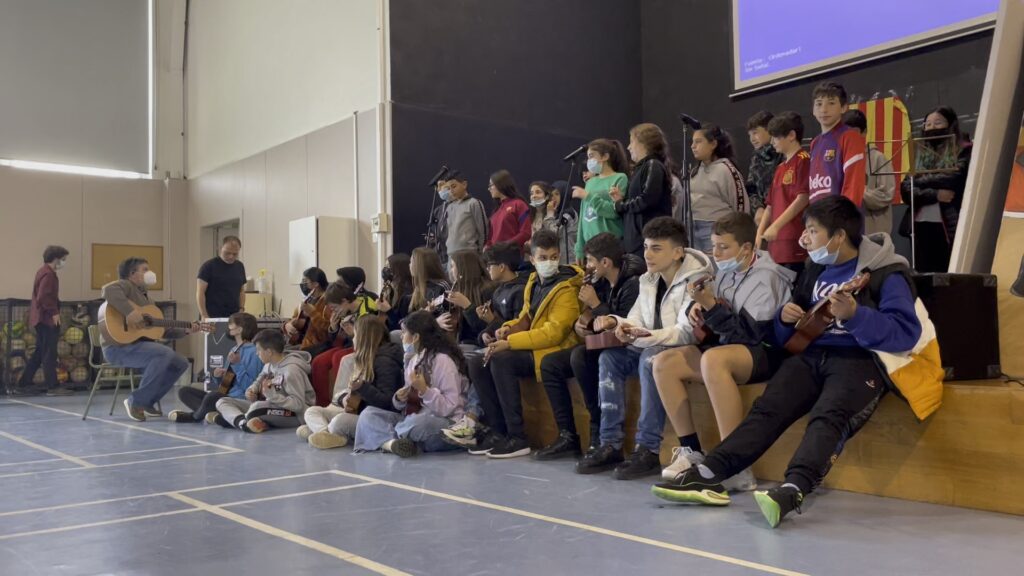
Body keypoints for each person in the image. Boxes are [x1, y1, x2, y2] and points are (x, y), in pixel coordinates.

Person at [652, 196, 943, 528]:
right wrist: (784, 318)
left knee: (829, 416)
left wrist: (856, 315)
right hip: (811, 355)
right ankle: (709, 472)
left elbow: (905, 332)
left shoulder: (887, 273)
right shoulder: (815, 269)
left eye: (813, 231)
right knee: (768, 409)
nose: (804, 238)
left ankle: (793, 489)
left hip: (861, 360)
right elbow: (788, 333)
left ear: (839, 236)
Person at [653, 212, 795, 491]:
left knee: (713, 359)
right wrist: (695, 308)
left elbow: (752, 336)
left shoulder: (768, 277)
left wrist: (711, 306)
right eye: (714, 245)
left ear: (746, 247)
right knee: (664, 362)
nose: (716, 253)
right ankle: (691, 451)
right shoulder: (725, 272)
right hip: (728, 350)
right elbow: (716, 313)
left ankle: (735, 464)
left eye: (723, 247)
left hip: (765, 353)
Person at [577, 217, 714, 479]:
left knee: (650, 358)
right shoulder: (648, 279)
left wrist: (644, 336)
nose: (648, 255)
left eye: (656, 248)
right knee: (609, 358)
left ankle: (648, 449)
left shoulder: (697, 280)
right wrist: (617, 323)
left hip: (688, 353)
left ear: (677, 252)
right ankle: (610, 443)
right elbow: (636, 318)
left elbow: (685, 332)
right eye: (646, 247)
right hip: (652, 346)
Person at [468, 229, 583, 458]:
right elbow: (526, 317)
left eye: (553, 257)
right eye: (543, 257)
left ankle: (517, 437)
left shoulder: (567, 287)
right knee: (477, 362)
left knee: (501, 360)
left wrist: (510, 342)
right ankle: (498, 432)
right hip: (534, 344)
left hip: (554, 349)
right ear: (532, 259)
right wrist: (507, 328)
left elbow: (554, 334)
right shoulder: (533, 280)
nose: (549, 262)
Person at [534, 232, 643, 460]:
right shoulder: (599, 281)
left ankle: (597, 429)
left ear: (605, 262)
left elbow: (626, 324)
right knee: (550, 364)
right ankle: (567, 435)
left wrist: (595, 303)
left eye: (591, 261)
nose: (587, 266)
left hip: (625, 346)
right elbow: (591, 319)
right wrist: (581, 325)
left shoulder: (633, 283)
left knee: (580, 357)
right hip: (601, 342)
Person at [440, 241, 528, 446]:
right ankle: (491, 429)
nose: (487, 269)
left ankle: (471, 419)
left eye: (490, 265)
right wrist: (487, 334)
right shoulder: (498, 292)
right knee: (467, 358)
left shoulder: (508, 290)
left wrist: (469, 307)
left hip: (514, 345)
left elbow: (517, 324)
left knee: (476, 357)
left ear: (502, 267)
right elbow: (489, 328)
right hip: (490, 343)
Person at [353, 311, 469, 457]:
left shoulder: (443, 361)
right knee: (368, 414)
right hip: (411, 420)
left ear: (415, 337)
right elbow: (408, 406)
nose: (401, 337)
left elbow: (450, 407)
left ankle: (385, 439)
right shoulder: (414, 360)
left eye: (404, 332)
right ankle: (394, 444)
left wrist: (425, 391)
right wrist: (399, 399)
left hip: (445, 423)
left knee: (418, 423)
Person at [100, 257, 200, 421]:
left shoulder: (149, 301)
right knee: (164, 353)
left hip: (139, 348)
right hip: (118, 348)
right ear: (132, 274)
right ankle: (136, 401)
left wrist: (186, 330)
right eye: (145, 269)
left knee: (180, 362)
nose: (150, 273)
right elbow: (108, 290)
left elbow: (161, 331)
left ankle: (147, 402)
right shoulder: (126, 285)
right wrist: (130, 312)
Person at [300, 315, 404, 449]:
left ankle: (325, 432)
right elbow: (348, 395)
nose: (353, 340)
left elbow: (388, 403)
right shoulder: (365, 359)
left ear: (364, 337)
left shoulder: (385, 362)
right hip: (357, 411)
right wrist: (345, 399)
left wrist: (362, 387)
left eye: (355, 335)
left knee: (339, 422)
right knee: (312, 411)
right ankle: (326, 433)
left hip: (374, 418)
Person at [899, 105, 972, 273]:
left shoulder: (964, 149)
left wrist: (919, 180)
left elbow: (953, 178)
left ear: (951, 125)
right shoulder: (920, 152)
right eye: (928, 124)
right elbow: (906, 189)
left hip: (948, 224)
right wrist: (935, 194)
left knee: (949, 274)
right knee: (924, 274)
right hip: (919, 225)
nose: (932, 127)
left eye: (938, 123)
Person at [211, 329, 316, 433]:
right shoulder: (268, 365)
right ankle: (242, 422)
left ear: (269, 352)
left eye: (258, 350)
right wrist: (251, 390)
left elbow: (298, 405)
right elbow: (257, 381)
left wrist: (272, 396)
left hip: (295, 415)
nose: (257, 354)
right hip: (271, 406)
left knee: (257, 407)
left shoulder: (292, 371)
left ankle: (235, 419)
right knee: (222, 401)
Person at [169, 312, 263, 423]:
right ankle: (213, 414)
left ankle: (195, 417)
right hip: (226, 395)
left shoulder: (254, 352)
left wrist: (237, 364)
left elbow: (250, 386)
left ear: (240, 329)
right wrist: (217, 376)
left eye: (231, 324)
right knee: (184, 392)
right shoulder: (234, 349)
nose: (228, 326)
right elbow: (224, 386)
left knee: (213, 396)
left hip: (239, 399)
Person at [309, 280, 378, 408]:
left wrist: (353, 333)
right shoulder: (344, 311)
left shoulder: (368, 307)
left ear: (345, 301)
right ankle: (323, 404)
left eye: (335, 308)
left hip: (364, 346)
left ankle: (340, 401)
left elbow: (371, 337)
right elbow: (334, 340)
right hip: (347, 345)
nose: (335, 312)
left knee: (338, 357)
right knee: (319, 361)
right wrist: (333, 328)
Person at [757, 111, 811, 273]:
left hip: (793, 239)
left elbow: (803, 198)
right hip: (776, 243)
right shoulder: (781, 167)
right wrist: (759, 233)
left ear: (791, 135)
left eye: (776, 137)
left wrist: (776, 226)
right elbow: (770, 205)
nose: (772, 142)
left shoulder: (803, 160)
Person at [611, 123, 674, 258]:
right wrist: (621, 201)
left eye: (632, 142)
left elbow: (647, 199)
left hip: (646, 241)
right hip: (638, 242)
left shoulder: (653, 165)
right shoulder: (642, 168)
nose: (628, 147)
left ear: (644, 143)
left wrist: (621, 205)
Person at [16, 245, 71, 396]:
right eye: (63, 259)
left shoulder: (42, 271)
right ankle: (52, 387)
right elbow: (44, 297)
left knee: (40, 352)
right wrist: (54, 312)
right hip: (46, 319)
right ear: (56, 259)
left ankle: (24, 383)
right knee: (49, 353)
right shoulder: (49, 275)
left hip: (39, 319)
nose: (64, 262)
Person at [689, 124, 749, 253]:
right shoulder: (695, 171)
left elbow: (740, 205)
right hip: (693, 228)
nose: (693, 146)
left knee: (716, 265)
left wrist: (740, 233)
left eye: (698, 142)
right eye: (692, 142)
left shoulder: (726, 169)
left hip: (716, 229)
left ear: (713, 144)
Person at [808, 82, 866, 206]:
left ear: (844, 107)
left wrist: (844, 215)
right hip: (818, 215)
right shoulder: (815, 143)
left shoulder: (850, 137)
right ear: (813, 109)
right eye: (819, 104)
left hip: (840, 215)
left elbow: (854, 185)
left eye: (831, 103)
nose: (824, 109)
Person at [573, 138, 630, 263]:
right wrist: (579, 247)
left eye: (591, 156)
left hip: (609, 244)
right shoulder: (591, 182)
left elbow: (614, 212)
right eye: (588, 157)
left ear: (605, 156)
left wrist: (588, 197)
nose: (589, 161)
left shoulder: (620, 178)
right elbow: (583, 217)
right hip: (590, 245)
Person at [844, 110, 896, 235]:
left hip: (872, 228)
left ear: (864, 132)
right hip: (846, 229)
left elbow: (886, 195)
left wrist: (857, 191)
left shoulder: (878, 158)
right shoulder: (840, 159)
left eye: (854, 132)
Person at [440, 250, 494, 345]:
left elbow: (486, 327)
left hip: (477, 344)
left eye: (453, 266)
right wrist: (439, 322)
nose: (451, 271)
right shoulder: (457, 288)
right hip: (460, 343)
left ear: (463, 269)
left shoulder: (487, 290)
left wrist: (467, 306)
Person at [282, 267, 331, 354]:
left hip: (316, 346)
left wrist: (312, 313)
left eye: (305, 281)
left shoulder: (327, 302)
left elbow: (327, 330)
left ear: (316, 284)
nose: (302, 284)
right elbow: (294, 320)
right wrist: (287, 325)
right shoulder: (306, 300)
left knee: (281, 354)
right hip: (299, 343)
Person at [197, 236, 246, 320]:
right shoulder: (208, 266)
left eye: (235, 254)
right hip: (212, 315)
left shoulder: (240, 266)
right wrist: (204, 315)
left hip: (234, 316)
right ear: (220, 248)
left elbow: (241, 291)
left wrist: (241, 308)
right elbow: (200, 293)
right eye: (227, 253)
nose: (231, 256)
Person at [529, 180, 578, 263]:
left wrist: (550, 215)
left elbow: (554, 234)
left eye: (557, 194)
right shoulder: (558, 212)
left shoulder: (568, 213)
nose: (553, 198)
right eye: (552, 195)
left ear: (564, 195)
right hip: (558, 259)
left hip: (568, 261)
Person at [443, 171, 490, 256]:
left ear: (464, 184)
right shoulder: (449, 207)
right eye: (448, 189)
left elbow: (483, 231)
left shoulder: (474, 203)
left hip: (469, 254)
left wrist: (480, 254)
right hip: (451, 254)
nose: (451, 191)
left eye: (454, 186)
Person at [486, 169, 532, 249]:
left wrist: (506, 246)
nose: (489, 189)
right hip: (494, 255)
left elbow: (526, 233)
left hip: (512, 254)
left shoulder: (519, 205)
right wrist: (487, 246)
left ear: (500, 184)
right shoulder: (496, 211)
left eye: (491, 185)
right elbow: (491, 237)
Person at [376, 253, 414, 330]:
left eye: (389, 267)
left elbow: (403, 325)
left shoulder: (408, 294)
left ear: (399, 270)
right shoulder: (390, 290)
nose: (385, 270)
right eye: (385, 267)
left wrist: (388, 310)